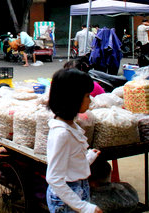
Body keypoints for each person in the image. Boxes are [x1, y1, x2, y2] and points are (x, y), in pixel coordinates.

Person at [46, 68, 102, 213]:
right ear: (73, 98)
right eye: (88, 96)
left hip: (77, 190)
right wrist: (84, 207)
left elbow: (70, 162)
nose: (90, 100)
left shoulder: (70, 125)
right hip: (66, 199)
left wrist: (88, 157)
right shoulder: (62, 134)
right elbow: (54, 178)